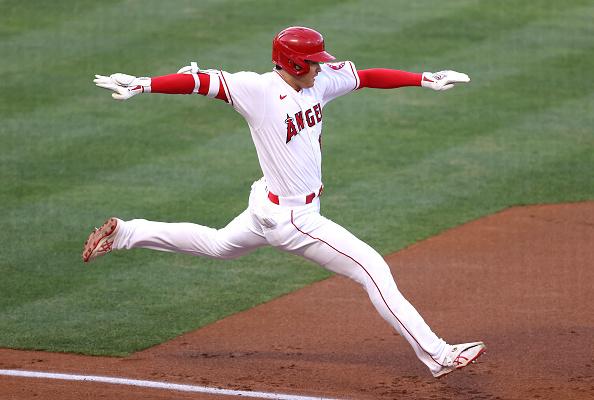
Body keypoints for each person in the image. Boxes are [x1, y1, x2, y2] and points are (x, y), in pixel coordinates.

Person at [84, 26, 485, 378]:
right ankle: (439, 355)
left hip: (266, 204)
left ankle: (127, 233)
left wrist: (424, 79)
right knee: (372, 269)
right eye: (312, 62)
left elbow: (366, 77)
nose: (320, 67)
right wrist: (145, 83)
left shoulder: (320, 81)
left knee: (220, 245)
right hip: (293, 219)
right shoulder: (257, 90)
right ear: (292, 64)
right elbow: (200, 82)